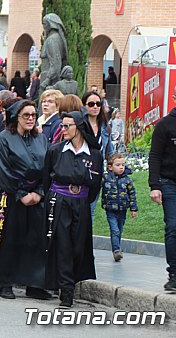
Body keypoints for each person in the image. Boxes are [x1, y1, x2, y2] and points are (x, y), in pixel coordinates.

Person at [0, 99, 51, 300]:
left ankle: (34, 283)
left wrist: (39, 191)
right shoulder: (4, 139)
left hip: (36, 196)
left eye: (34, 114)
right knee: (8, 239)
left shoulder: (41, 139)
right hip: (11, 195)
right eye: (26, 115)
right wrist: (21, 194)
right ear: (16, 117)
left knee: (35, 240)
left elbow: (48, 166)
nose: (31, 119)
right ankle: (5, 282)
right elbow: (3, 170)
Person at [43, 110, 103, 307]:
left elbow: (95, 185)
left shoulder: (94, 154)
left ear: (79, 128)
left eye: (67, 126)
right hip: (60, 201)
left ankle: (70, 282)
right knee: (63, 246)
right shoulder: (55, 151)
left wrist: (82, 199)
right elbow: (46, 180)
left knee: (78, 246)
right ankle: (66, 290)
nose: (63, 129)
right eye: (62, 125)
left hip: (82, 203)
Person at [148, 86, 176, 290]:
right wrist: (154, 185)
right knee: (173, 227)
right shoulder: (164, 125)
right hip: (169, 183)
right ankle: (174, 274)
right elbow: (155, 156)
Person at [82, 90, 113, 221]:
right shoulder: (80, 125)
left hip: (97, 172)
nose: (95, 107)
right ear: (84, 106)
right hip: (80, 170)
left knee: (91, 210)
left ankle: (87, 240)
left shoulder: (105, 126)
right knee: (79, 209)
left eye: (98, 104)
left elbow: (109, 151)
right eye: (91, 104)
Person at [101, 153, 137, 262]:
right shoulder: (106, 178)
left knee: (119, 230)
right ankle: (116, 251)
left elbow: (132, 194)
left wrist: (133, 208)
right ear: (110, 167)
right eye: (118, 165)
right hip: (110, 209)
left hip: (123, 209)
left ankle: (117, 248)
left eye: (123, 165)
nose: (121, 167)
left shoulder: (127, 180)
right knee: (115, 230)